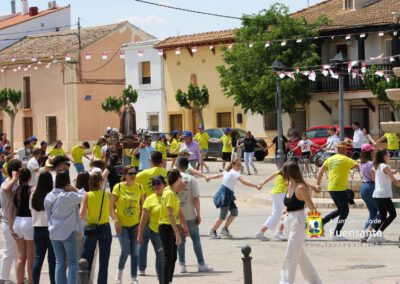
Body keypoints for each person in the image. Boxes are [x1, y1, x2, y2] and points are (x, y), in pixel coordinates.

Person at [279, 161, 322, 284]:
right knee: (300, 255)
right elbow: (288, 204)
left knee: (290, 254)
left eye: (284, 172)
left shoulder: (301, 187)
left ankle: (286, 282)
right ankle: (315, 281)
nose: (282, 175)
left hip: (298, 222)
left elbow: (312, 207)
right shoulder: (289, 186)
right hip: (289, 221)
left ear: (289, 173)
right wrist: (284, 214)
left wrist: (316, 229)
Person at [45, 171, 85, 284]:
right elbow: (85, 196)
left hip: (53, 232)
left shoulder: (49, 196)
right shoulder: (69, 195)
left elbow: (48, 216)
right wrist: (75, 188)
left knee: (60, 262)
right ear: (66, 182)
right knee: (73, 263)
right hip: (68, 232)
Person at [207, 159, 261, 239]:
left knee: (234, 211)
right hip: (225, 194)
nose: (239, 167)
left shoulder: (228, 171)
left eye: (240, 165)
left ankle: (224, 229)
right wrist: (256, 186)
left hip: (228, 194)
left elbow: (218, 175)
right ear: (233, 165)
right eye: (238, 165)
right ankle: (212, 231)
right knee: (222, 216)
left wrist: (209, 177)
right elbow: (245, 182)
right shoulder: (234, 173)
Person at [316, 141, 359, 241]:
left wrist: (317, 183)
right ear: (342, 150)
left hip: (331, 188)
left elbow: (321, 170)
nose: (345, 150)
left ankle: (322, 222)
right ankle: (336, 233)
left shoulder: (330, 159)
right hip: (339, 188)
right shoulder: (346, 159)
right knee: (345, 211)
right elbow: (360, 167)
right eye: (345, 149)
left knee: (341, 210)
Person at [176, 157, 212, 273]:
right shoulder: (191, 179)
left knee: (180, 240)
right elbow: (196, 198)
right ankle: (201, 264)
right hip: (190, 214)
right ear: (188, 166)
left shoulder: (172, 178)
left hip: (177, 215)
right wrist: (198, 214)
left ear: (177, 165)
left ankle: (182, 264)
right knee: (196, 239)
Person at [110, 166, 145, 284]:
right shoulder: (118, 187)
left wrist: (141, 224)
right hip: (122, 225)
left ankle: (134, 277)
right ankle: (119, 273)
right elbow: (110, 207)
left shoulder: (140, 187)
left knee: (135, 252)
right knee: (125, 250)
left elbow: (143, 207)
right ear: (124, 175)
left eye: (135, 173)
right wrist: (115, 221)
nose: (133, 176)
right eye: (130, 173)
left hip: (135, 225)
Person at [135, 151, 167, 275]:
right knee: (160, 242)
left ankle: (141, 268)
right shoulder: (166, 174)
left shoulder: (141, 175)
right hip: (161, 210)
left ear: (151, 161)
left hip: (146, 209)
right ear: (162, 162)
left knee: (142, 240)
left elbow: (137, 193)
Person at [80, 172, 112, 284]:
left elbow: (81, 214)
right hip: (105, 228)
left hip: (91, 228)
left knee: (86, 259)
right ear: (101, 182)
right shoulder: (107, 195)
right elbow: (112, 212)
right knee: (104, 261)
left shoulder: (87, 195)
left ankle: (85, 281)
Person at [159, 170, 187, 284]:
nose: (182, 180)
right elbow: (170, 214)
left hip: (172, 226)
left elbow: (177, 212)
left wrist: (183, 226)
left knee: (173, 257)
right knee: (168, 258)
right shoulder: (170, 193)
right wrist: (176, 233)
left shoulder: (171, 191)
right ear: (177, 179)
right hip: (167, 227)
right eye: (180, 178)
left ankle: (169, 281)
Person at [8, 168, 35, 284]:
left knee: (21, 257)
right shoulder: (32, 189)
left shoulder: (15, 191)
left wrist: (10, 228)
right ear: (29, 177)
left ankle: (20, 282)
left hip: (17, 223)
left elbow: (10, 211)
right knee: (30, 258)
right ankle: (31, 282)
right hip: (29, 223)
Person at [368, 149, 400, 243]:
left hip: (377, 194)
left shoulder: (378, 166)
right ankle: (378, 234)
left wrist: (391, 171)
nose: (389, 156)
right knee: (393, 214)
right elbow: (394, 181)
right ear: (384, 156)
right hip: (383, 194)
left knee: (382, 216)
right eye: (388, 154)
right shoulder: (385, 166)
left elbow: (378, 172)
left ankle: (373, 235)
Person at [137, 175, 165, 282]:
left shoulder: (170, 196)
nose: (156, 186)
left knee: (168, 257)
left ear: (164, 184)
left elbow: (176, 212)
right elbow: (143, 219)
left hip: (170, 232)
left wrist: (181, 227)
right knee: (161, 255)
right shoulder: (149, 199)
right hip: (156, 232)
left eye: (158, 183)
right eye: (154, 184)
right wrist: (140, 234)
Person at [30, 172, 56, 284]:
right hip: (50, 229)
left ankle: (35, 282)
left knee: (38, 258)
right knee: (52, 260)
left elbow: (31, 210)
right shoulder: (52, 195)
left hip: (37, 228)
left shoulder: (33, 195)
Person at [0, 159, 22, 282]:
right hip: (8, 223)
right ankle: (2, 278)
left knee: (18, 252)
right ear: (14, 172)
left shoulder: (16, 183)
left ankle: (19, 276)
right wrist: (14, 178)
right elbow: (6, 189)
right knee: (9, 252)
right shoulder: (7, 183)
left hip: (15, 222)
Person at [256, 171, 288, 241]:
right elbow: (300, 181)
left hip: (275, 193)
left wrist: (262, 183)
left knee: (275, 215)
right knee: (288, 211)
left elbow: (271, 176)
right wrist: (312, 187)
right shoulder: (291, 171)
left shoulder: (281, 170)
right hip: (281, 193)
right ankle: (279, 232)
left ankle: (261, 232)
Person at [358, 144, 378, 242]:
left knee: (372, 213)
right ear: (370, 152)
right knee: (381, 212)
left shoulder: (361, 163)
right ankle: (367, 233)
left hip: (363, 187)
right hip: (371, 187)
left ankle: (365, 234)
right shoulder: (371, 163)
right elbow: (374, 177)